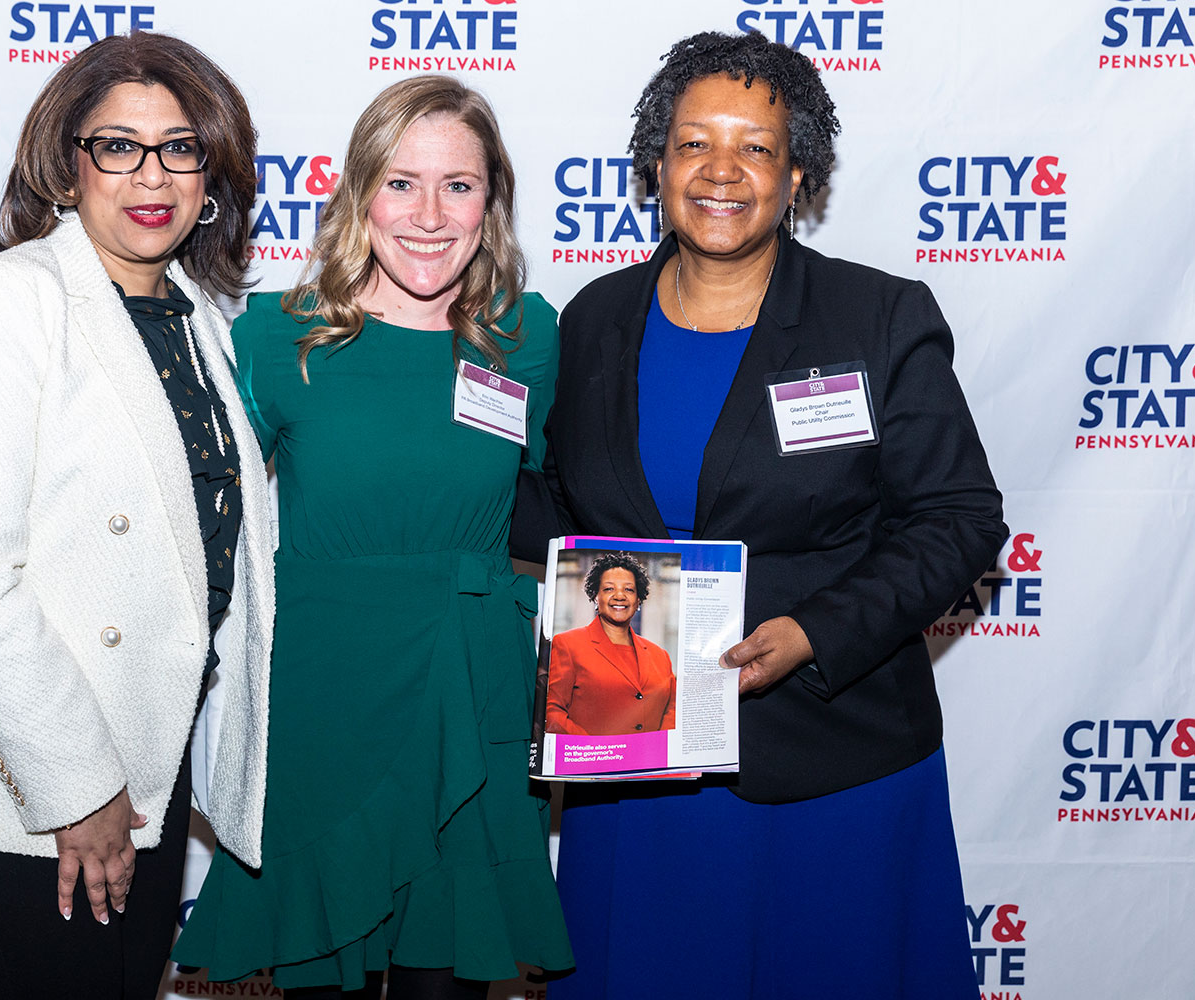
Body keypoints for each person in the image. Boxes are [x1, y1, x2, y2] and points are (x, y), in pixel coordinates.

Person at [529, 31, 1007, 999]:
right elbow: (554, 505)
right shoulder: (592, 319)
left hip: (834, 762)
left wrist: (815, 632)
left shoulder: (877, 317)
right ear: (656, 164)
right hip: (638, 769)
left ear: (798, 174)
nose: (722, 171)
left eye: (755, 146)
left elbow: (959, 518)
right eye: (694, 142)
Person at [0, 33, 274, 1000]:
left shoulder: (199, 315)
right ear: (66, 166)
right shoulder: (8, 303)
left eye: (181, 146)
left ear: (213, 171)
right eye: (118, 145)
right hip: (21, 766)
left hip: (147, 754)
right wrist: (79, 790)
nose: (150, 175)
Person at [172, 75, 573, 999]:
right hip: (325, 702)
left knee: (449, 979)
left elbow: (567, 500)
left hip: (471, 696)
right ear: (358, 194)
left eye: (459, 185)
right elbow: (195, 511)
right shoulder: (277, 336)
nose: (429, 215)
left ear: (492, 199)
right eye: (401, 183)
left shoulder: (527, 337)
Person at [545, 552, 675, 736]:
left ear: (638, 600)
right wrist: (599, 750)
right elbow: (552, 712)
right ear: (595, 597)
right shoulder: (568, 644)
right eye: (608, 589)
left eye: (629, 589)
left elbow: (672, 710)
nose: (619, 596)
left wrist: (658, 748)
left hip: (651, 760)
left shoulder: (660, 656)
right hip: (594, 759)